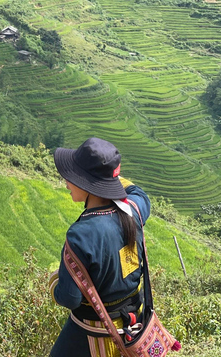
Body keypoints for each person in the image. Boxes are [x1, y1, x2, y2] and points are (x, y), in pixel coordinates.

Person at [47, 137, 151, 357]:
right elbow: (141, 195)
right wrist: (110, 176)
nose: (66, 182)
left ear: (87, 184)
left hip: (94, 332)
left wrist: (53, 283)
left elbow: (69, 298)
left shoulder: (80, 235)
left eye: (71, 176)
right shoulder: (134, 211)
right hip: (135, 322)